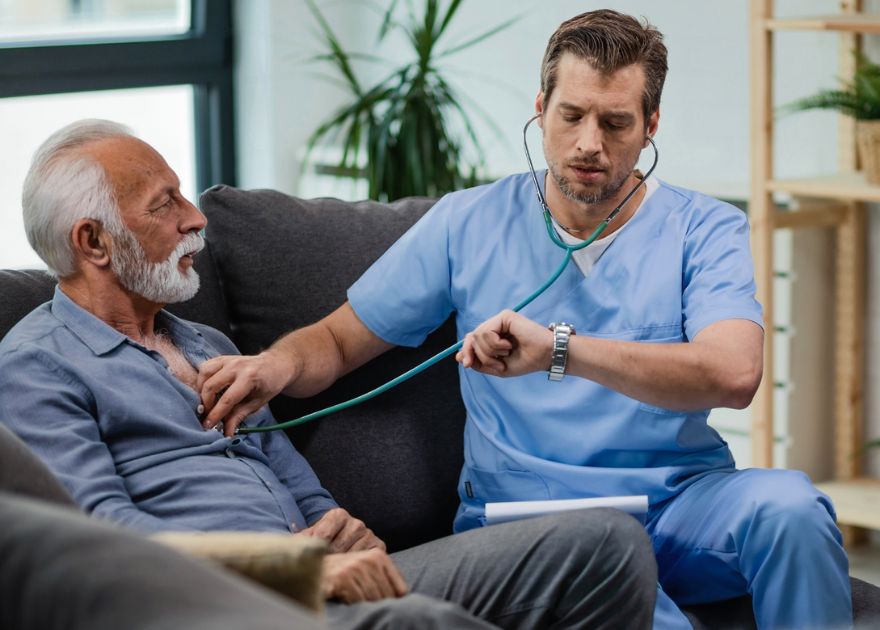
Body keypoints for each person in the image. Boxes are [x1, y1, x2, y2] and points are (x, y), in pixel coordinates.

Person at [198, 9, 851, 630]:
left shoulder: (704, 229)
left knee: (791, 508)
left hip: (681, 505)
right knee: (611, 562)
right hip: (529, 522)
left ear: (652, 124)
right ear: (541, 111)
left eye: (617, 123)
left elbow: (734, 374)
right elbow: (338, 341)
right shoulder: (468, 221)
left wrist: (561, 349)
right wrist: (275, 365)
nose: (589, 144)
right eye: (571, 116)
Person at [0, 119, 659, 630]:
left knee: (605, 541)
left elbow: (303, 493)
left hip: (318, 579)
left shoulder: (207, 344)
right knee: (417, 623)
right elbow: (102, 543)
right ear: (93, 243)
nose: (194, 219)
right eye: (164, 204)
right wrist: (295, 570)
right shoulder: (36, 367)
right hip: (223, 602)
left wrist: (341, 529)